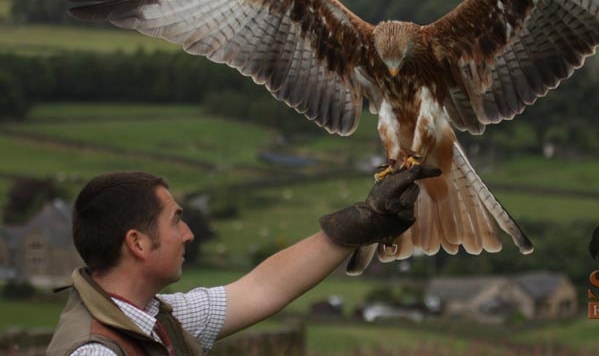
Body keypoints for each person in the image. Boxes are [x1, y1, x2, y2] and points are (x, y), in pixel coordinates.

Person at [46, 165, 440, 355]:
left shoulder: (154, 320)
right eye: (175, 221)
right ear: (137, 243)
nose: (188, 234)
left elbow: (262, 288)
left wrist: (364, 224)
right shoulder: (96, 351)